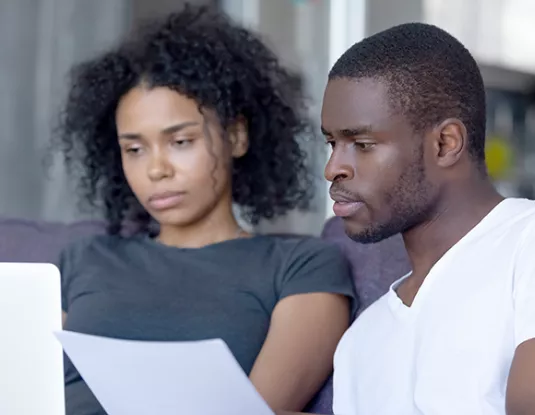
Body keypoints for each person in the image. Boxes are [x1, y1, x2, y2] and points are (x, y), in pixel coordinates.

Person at [53, 5, 356, 415]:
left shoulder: (301, 267)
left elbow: (257, 412)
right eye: (135, 149)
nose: (156, 169)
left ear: (235, 136)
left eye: (180, 142)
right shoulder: (81, 260)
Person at [317, 22, 535, 415]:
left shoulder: (526, 245)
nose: (333, 168)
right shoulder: (360, 342)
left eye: (362, 145)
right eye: (333, 143)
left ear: (445, 143)